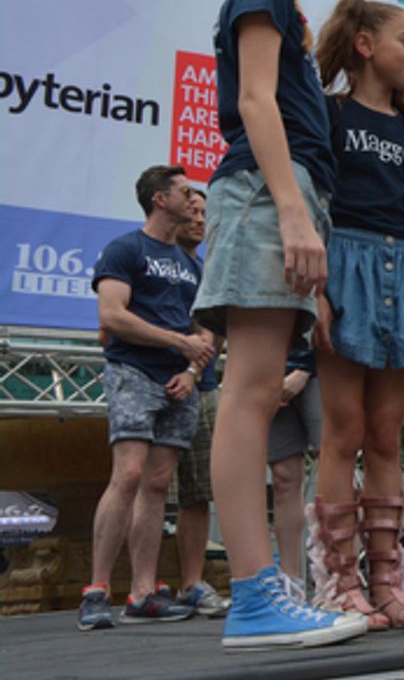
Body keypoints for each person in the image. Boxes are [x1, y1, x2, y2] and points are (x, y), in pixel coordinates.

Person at [192, 0, 367, 650]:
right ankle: (258, 595)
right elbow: (257, 103)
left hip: (286, 193)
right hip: (268, 190)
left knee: (256, 390)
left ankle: (266, 591)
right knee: (251, 392)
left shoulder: (286, 12)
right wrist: (293, 209)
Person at [307, 0, 404, 629]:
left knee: (388, 433)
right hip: (346, 263)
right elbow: (314, 204)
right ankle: (338, 581)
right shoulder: (329, 114)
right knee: (342, 432)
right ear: (365, 45)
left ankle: (389, 577)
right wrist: (316, 291)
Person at [80, 165, 210, 630]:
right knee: (129, 474)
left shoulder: (193, 262)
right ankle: (95, 592)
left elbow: (207, 326)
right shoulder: (126, 248)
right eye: (184, 192)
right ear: (160, 198)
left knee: (157, 485)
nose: (193, 200)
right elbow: (111, 316)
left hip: (179, 382)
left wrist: (193, 369)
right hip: (133, 372)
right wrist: (178, 344)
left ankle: (142, 592)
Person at [170, 187, 230, 617]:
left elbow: (215, 330)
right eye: (191, 209)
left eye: (204, 213)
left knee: (197, 492)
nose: (198, 218)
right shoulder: (147, 256)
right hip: (151, 377)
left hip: (202, 385)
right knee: (146, 484)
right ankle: (139, 587)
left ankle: (191, 582)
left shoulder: (210, 267)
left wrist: (193, 372)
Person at [268, 348, 320, 605]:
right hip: (271, 370)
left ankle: (342, 576)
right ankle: (292, 581)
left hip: (323, 368)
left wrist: (305, 368)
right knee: (283, 477)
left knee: (336, 466)